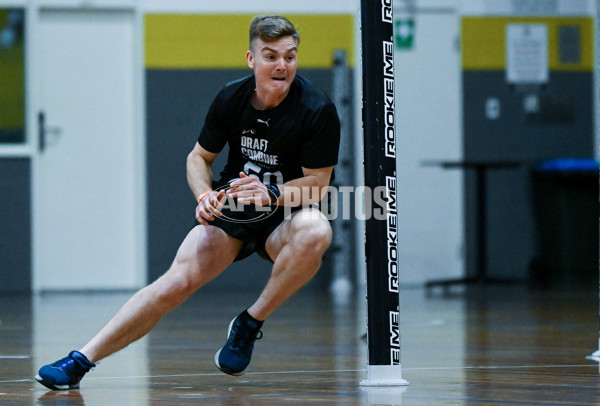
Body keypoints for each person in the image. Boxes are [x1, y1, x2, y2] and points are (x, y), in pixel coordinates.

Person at [35, 15, 340, 390]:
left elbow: (319, 183)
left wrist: (273, 194)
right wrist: (205, 195)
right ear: (251, 59)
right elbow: (199, 158)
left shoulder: (316, 108)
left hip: (285, 214)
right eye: (271, 55)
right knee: (173, 284)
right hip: (236, 207)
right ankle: (80, 360)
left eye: (290, 57)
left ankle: (250, 323)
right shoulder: (231, 97)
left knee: (316, 231)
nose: (282, 66)